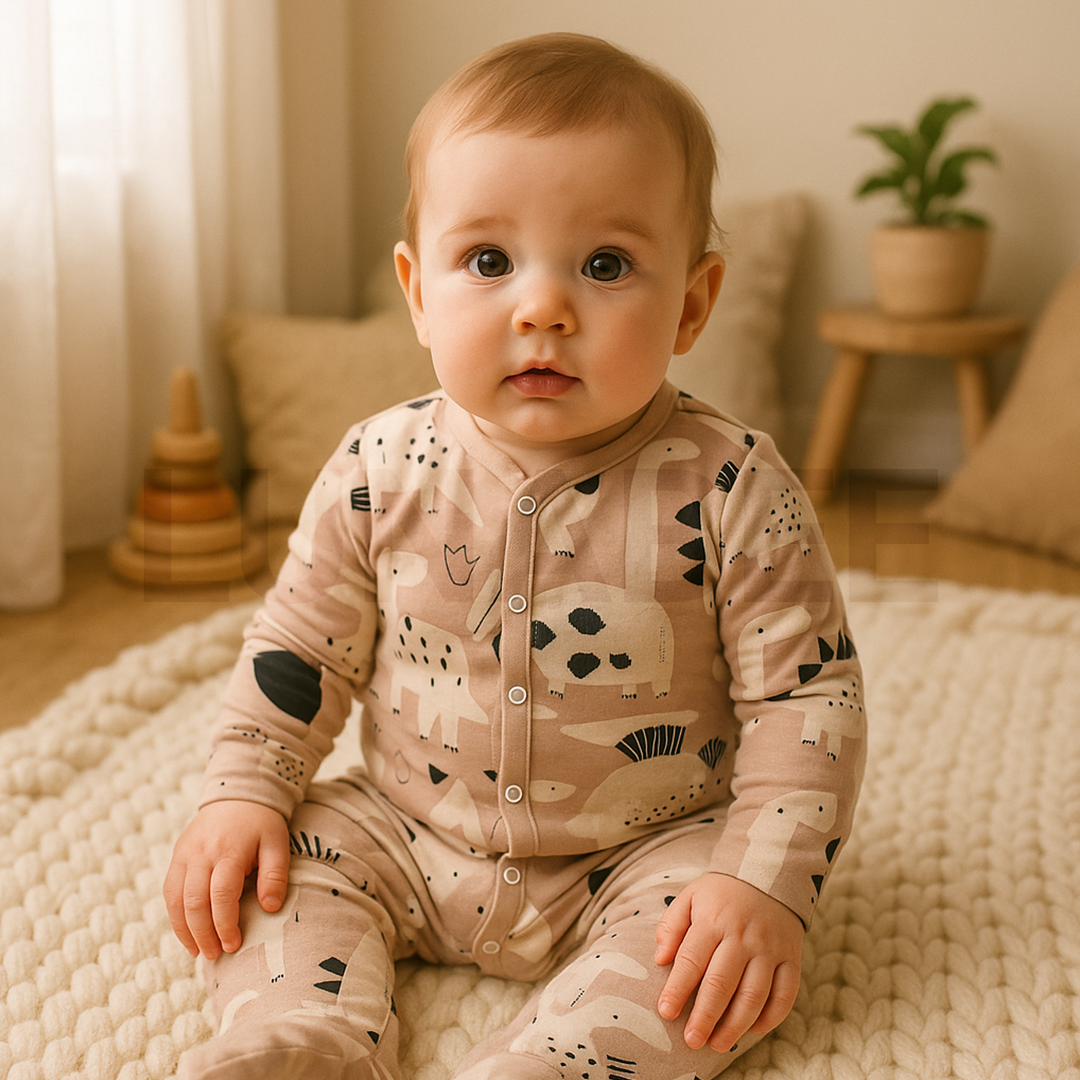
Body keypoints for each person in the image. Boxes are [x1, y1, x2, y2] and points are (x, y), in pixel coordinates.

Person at [166, 31, 866, 1080]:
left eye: (606, 265)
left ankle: (554, 1060)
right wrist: (241, 792)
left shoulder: (732, 488)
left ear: (691, 303)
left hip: (646, 845)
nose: (543, 307)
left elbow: (808, 704)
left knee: (707, 968)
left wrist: (761, 884)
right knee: (285, 865)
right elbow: (300, 650)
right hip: (408, 829)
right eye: (488, 262)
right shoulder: (379, 469)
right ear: (417, 290)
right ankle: (298, 1042)